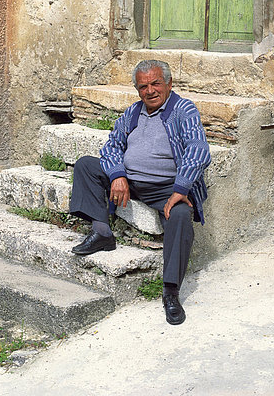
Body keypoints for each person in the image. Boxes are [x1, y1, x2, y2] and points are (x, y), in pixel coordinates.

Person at [69, 59, 211, 325]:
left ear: (169, 84)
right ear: (137, 90)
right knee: (86, 166)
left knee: (180, 216)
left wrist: (181, 188)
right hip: (131, 183)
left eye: (156, 83)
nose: (150, 91)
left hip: (166, 188)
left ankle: (170, 291)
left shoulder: (183, 110)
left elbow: (198, 150)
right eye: (143, 86)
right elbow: (112, 146)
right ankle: (102, 232)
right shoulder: (132, 112)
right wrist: (117, 175)